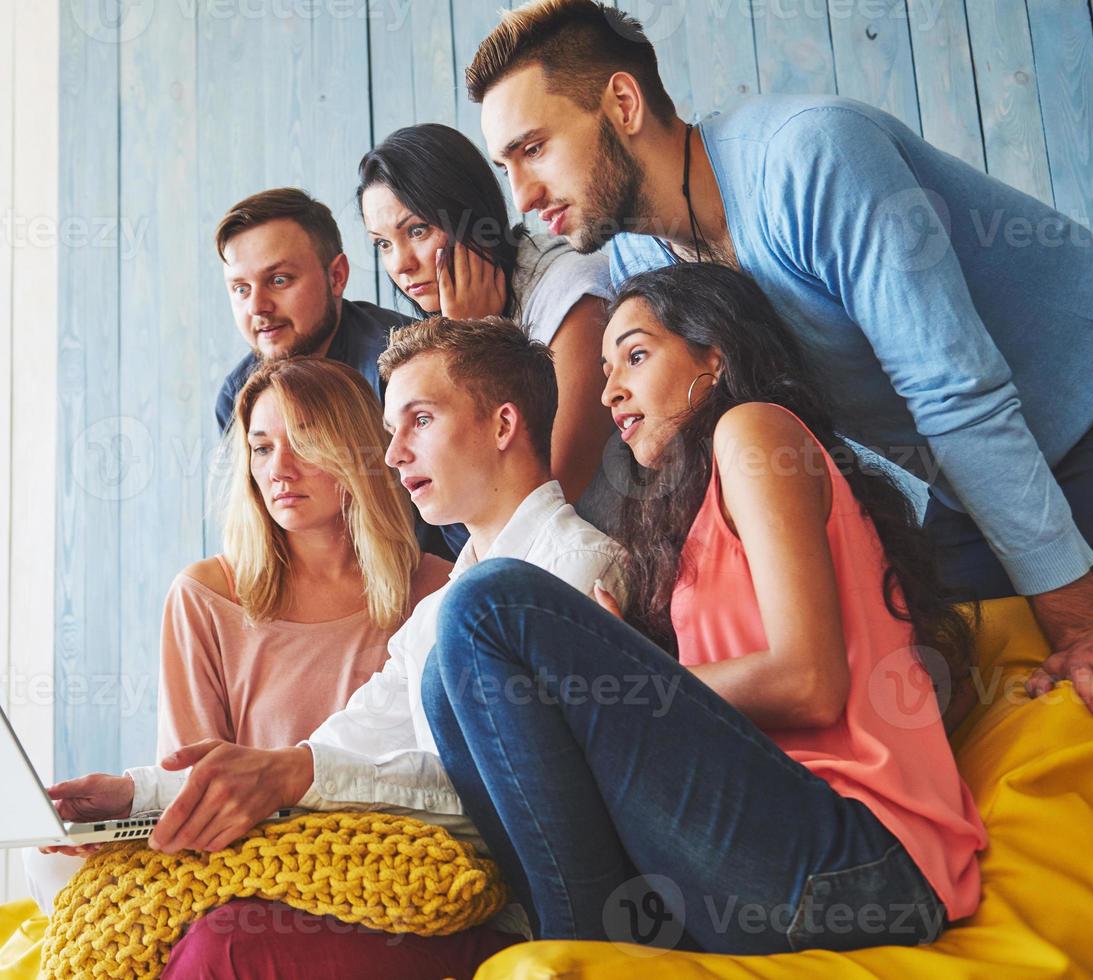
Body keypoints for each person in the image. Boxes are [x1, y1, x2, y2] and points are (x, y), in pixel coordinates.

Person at [465, 0, 1093, 727]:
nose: (521, 196)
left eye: (534, 149)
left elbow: (956, 394)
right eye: (505, 165)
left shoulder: (812, 156)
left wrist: (1081, 626)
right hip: (970, 481)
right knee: (966, 713)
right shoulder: (636, 257)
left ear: (621, 102)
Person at [423, 262, 988, 955]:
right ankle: (583, 945)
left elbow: (808, 684)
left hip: (858, 865)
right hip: (759, 861)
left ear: (713, 354)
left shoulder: (754, 434)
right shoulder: (680, 524)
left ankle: (583, 944)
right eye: (604, 369)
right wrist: (626, 676)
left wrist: (614, 686)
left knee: (489, 606)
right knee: (443, 677)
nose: (609, 392)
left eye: (634, 354)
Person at [136, 316, 629, 975]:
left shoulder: (578, 573)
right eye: (392, 432)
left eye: (418, 422)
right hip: (419, 883)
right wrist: (130, 796)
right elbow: (340, 744)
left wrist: (299, 775)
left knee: (228, 944)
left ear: (503, 425)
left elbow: (509, 795)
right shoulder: (441, 604)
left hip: (507, 903)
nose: (393, 455)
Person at [23, 357, 451, 910]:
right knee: (42, 854)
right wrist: (131, 804)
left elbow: (443, 777)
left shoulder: (440, 589)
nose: (280, 468)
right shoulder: (204, 596)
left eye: (304, 441)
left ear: (360, 451)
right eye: (262, 447)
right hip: (239, 851)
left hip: (375, 857)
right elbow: (191, 786)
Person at [358, 123, 618, 538]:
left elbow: (544, 497)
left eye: (417, 231)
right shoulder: (437, 326)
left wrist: (472, 339)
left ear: (470, 216)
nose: (401, 264)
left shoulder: (572, 293)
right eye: (383, 244)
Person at [213, 186, 457, 560]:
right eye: (241, 289)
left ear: (337, 276)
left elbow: (460, 531)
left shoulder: (407, 366)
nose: (258, 307)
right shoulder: (237, 395)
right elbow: (258, 532)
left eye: (279, 280)